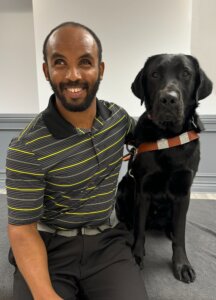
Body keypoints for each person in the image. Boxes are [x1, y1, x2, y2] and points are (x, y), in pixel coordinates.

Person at [6, 22, 149, 300]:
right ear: (46, 70)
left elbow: (149, 140)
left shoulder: (117, 119)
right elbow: (22, 231)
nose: (73, 75)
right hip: (49, 247)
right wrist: (45, 294)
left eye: (85, 62)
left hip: (106, 243)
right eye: (60, 62)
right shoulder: (26, 148)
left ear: (101, 70)